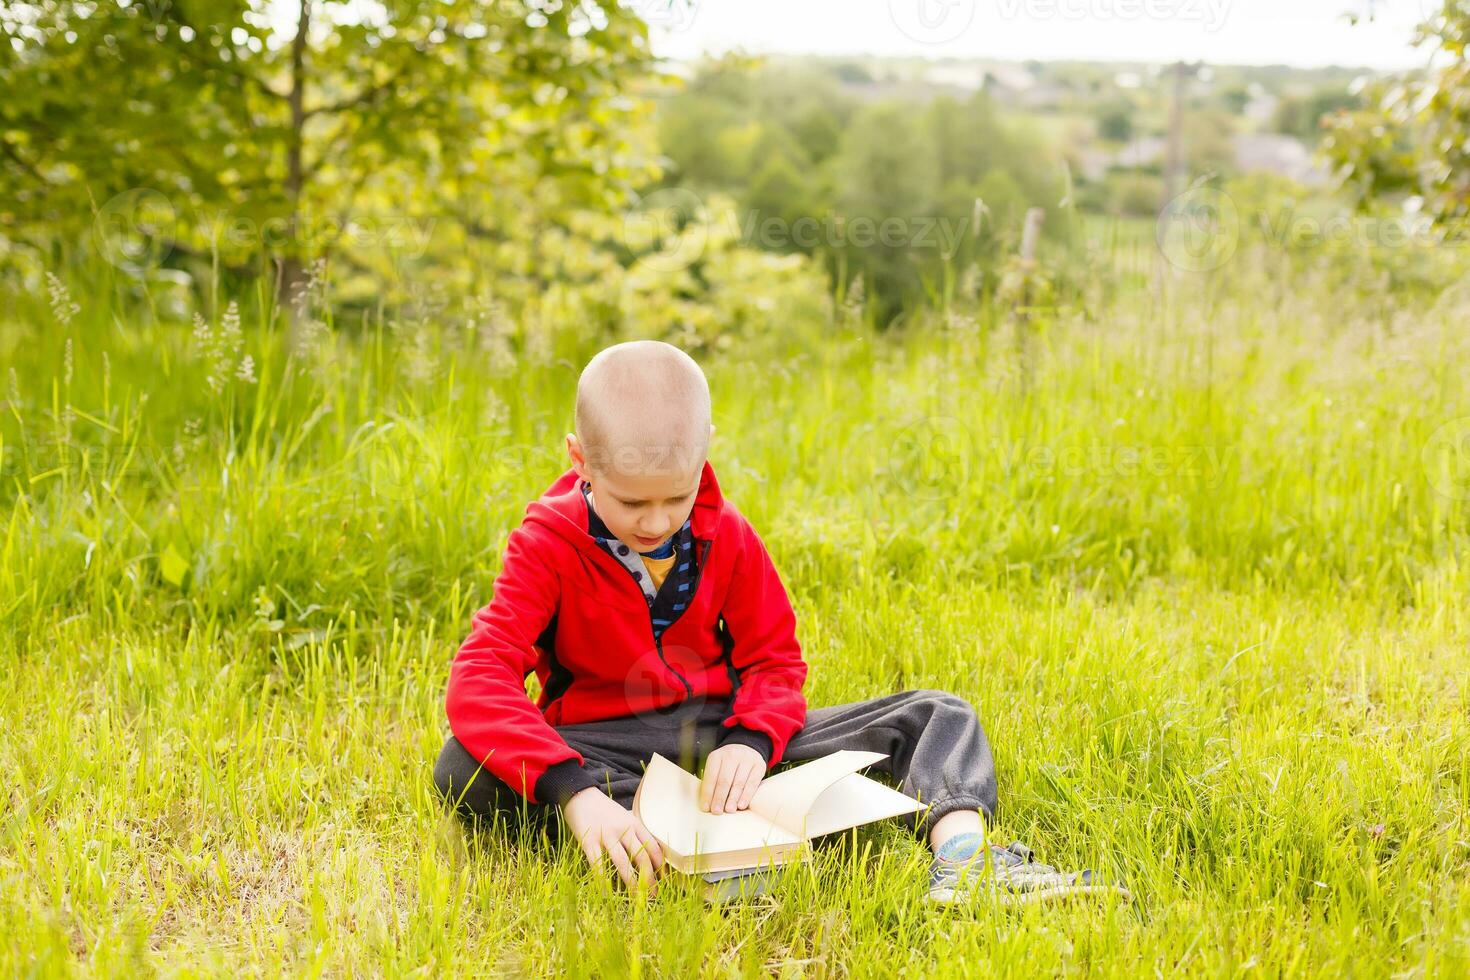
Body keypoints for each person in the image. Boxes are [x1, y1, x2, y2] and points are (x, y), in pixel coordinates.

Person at [433, 340, 1124, 905]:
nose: (654, 521)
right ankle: (640, 830)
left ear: (707, 448)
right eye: (630, 501)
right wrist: (574, 793)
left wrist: (755, 740)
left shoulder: (727, 534)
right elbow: (481, 676)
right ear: (579, 460)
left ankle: (966, 861)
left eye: (675, 497)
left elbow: (773, 661)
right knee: (463, 765)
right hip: (605, 749)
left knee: (937, 713)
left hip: (725, 744)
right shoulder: (546, 543)